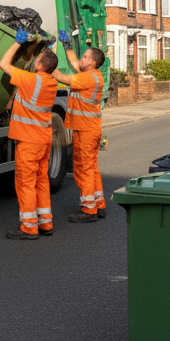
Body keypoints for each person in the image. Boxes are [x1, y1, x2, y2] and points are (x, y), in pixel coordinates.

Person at [0, 30, 59, 240]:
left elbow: (3, 64)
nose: (34, 60)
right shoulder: (51, 83)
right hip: (43, 140)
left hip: (29, 141)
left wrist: (17, 44)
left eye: (38, 58)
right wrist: (50, 50)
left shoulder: (31, 80)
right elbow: (50, 65)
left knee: (25, 183)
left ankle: (29, 227)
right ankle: (45, 222)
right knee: (41, 181)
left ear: (41, 65)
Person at [52, 31, 106, 223]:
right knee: (91, 168)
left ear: (91, 62)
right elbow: (75, 63)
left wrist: (46, 58)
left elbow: (62, 77)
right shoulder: (93, 75)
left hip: (85, 130)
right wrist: (66, 46)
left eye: (85, 57)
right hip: (90, 129)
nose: (81, 59)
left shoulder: (87, 78)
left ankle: (88, 210)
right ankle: (99, 204)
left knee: (82, 169)